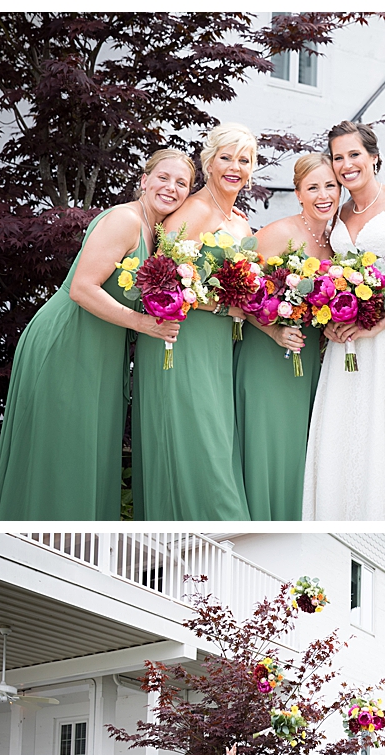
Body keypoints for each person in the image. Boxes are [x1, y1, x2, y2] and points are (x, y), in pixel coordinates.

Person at [0, 149, 191, 520]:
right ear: (144, 180)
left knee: (83, 454)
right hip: (67, 342)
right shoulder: (124, 221)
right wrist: (142, 323)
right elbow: (83, 288)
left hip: (101, 352)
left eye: (182, 183)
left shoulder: (156, 230)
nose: (171, 188)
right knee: (58, 454)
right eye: (163, 177)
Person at [302, 120, 385, 520]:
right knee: (343, 433)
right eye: (338, 157)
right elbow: (330, 275)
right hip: (346, 339)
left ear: (374, 158)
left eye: (354, 154)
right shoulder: (337, 213)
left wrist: (382, 320)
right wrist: (326, 315)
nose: (346, 164)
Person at [131, 122, 254, 519]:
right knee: (199, 437)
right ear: (209, 162)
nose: (235, 166)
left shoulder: (239, 222)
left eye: (245, 159)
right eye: (226, 157)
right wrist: (222, 307)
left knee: (215, 438)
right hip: (180, 337)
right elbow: (161, 280)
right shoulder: (194, 211)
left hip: (218, 344)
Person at [234, 154, 340, 519]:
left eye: (330, 185)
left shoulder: (335, 242)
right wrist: (275, 329)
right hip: (267, 351)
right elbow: (240, 290)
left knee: (297, 444)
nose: (323, 194)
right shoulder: (280, 232)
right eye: (313, 187)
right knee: (266, 440)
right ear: (298, 193)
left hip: (307, 355)